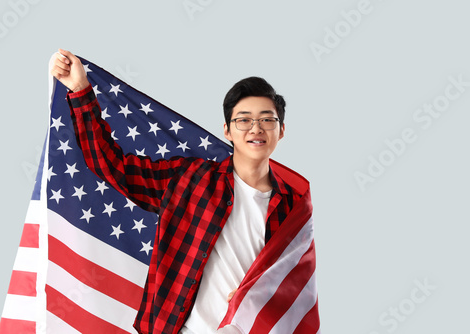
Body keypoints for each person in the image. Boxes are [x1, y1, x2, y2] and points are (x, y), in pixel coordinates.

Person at [50, 49, 312, 334]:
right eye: (244, 119)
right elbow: (113, 167)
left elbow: (300, 294)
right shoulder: (190, 180)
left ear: (281, 130)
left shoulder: (295, 209)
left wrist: (257, 297)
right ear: (227, 130)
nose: (256, 128)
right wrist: (80, 90)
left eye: (267, 119)